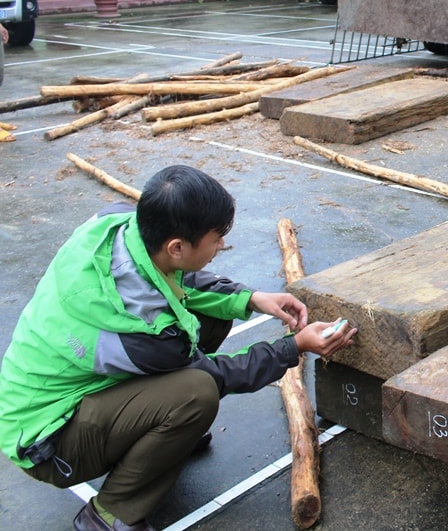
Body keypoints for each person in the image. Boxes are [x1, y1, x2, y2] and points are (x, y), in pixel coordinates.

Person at [0, 165, 357, 531]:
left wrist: (251, 299)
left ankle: (160, 438)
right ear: (177, 246)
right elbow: (215, 375)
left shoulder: (119, 225)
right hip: (48, 443)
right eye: (216, 238)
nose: (221, 245)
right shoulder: (146, 337)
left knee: (214, 316)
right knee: (195, 396)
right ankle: (111, 514)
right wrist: (294, 346)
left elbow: (176, 277)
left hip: (61, 393)